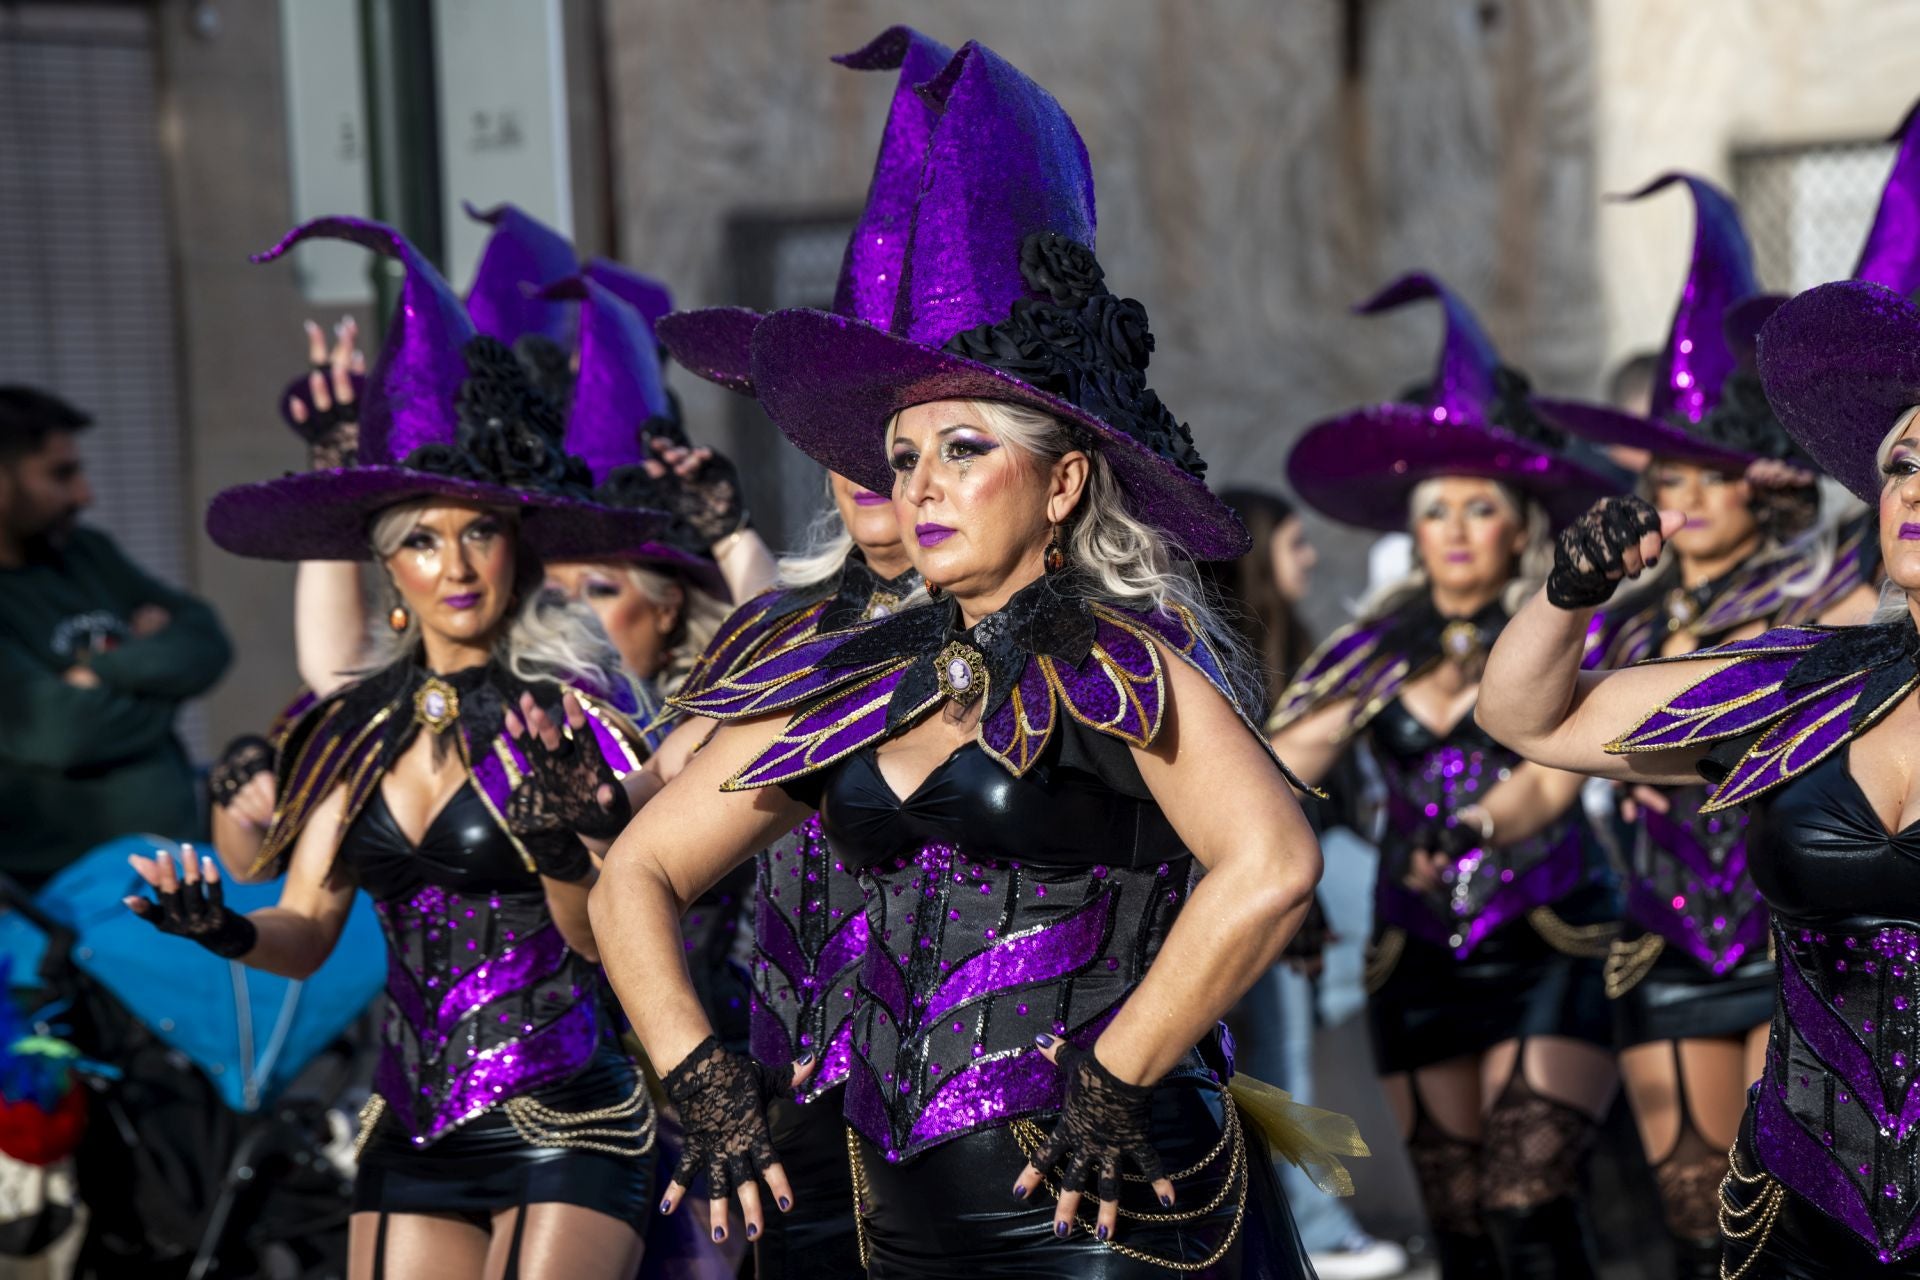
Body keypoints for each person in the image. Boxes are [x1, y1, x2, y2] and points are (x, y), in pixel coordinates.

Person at [592, 39, 1323, 1278]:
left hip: (1108, 1213)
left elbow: (1271, 863)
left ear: (1064, 482)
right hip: (899, 1226)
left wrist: (1112, 1074)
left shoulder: (1123, 660)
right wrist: (695, 1067)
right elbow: (638, 873)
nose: (919, 485)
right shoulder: (860, 676)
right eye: (905, 454)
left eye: (965, 448)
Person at [126, 217, 671, 1280]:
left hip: (570, 1121)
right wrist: (223, 928)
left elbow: (611, 939)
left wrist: (567, 840)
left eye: (478, 530)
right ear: (389, 569)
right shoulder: (350, 725)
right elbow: (309, 927)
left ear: (517, 546)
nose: (455, 564)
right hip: (411, 1130)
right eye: (422, 537)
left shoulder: (569, 713)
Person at [1477, 270, 1920, 1275]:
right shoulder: (1799, 682)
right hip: (1804, 1211)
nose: (1914, 488)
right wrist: (1570, 591)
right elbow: (1526, 716)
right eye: (1900, 464)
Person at [641, 26, 947, 1278]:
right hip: (796, 1087)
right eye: (848, 429)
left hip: (989, 1100)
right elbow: (671, 790)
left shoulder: (1053, 640)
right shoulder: (783, 628)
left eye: (911, 431)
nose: (877, 460)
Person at [1269, 274, 1627, 1279]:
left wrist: (1473, 825)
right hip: (1413, 954)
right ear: (1412, 529)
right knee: (1461, 1219)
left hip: (1547, 938)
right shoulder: (1369, 646)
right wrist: (1279, 876)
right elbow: (1279, 763)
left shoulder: (1551, 637)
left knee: (1531, 1199)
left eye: (1483, 507)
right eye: (1438, 511)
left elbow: (1551, 784)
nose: (1459, 528)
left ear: (1522, 525)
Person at [0, 385, 233, 886]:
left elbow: (207, 638)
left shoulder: (87, 553)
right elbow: (57, 732)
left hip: (178, 869)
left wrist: (102, 671)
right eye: (61, 475)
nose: (85, 494)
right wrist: (162, 680)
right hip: (59, 904)